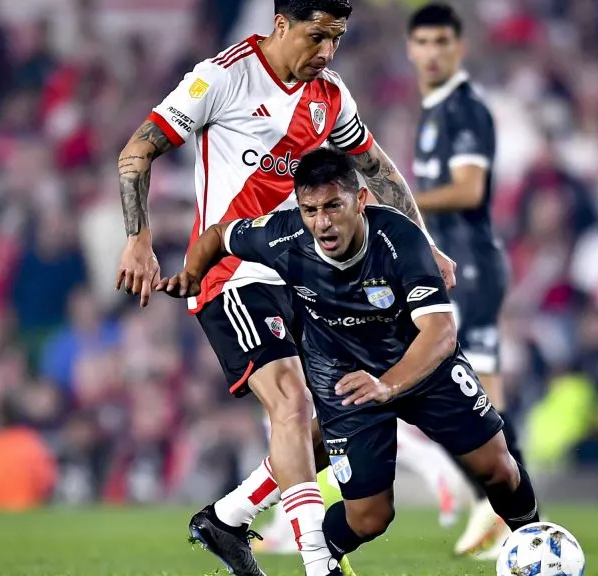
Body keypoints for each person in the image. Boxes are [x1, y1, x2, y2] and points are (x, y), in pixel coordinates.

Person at [114, 1, 455, 575]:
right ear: (280, 25)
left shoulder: (330, 95)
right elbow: (137, 150)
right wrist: (138, 239)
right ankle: (319, 565)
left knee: (347, 408)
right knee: (292, 404)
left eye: (338, 38)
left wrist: (423, 243)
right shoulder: (222, 76)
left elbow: (376, 169)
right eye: (317, 35)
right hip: (233, 270)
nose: (326, 51)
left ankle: (227, 518)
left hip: (306, 278)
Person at [156, 148, 541, 566]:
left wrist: (388, 384)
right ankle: (322, 559)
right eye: (310, 210)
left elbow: (441, 333)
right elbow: (216, 235)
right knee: (371, 516)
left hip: (421, 363)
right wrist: (191, 276)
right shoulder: (283, 236)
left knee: (499, 469)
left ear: (359, 201)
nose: (322, 222)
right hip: (343, 376)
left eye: (333, 206)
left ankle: (536, 543)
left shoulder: (400, 238)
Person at [405, 3, 523, 557]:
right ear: (411, 50)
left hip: (470, 263)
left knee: (476, 395)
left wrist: (398, 201)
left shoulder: (466, 110)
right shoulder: (433, 112)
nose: (431, 52)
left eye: (441, 42)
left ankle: (512, 517)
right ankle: (500, 512)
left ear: (460, 48)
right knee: (478, 393)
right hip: (454, 265)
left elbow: (470, 189)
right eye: (422, 42)